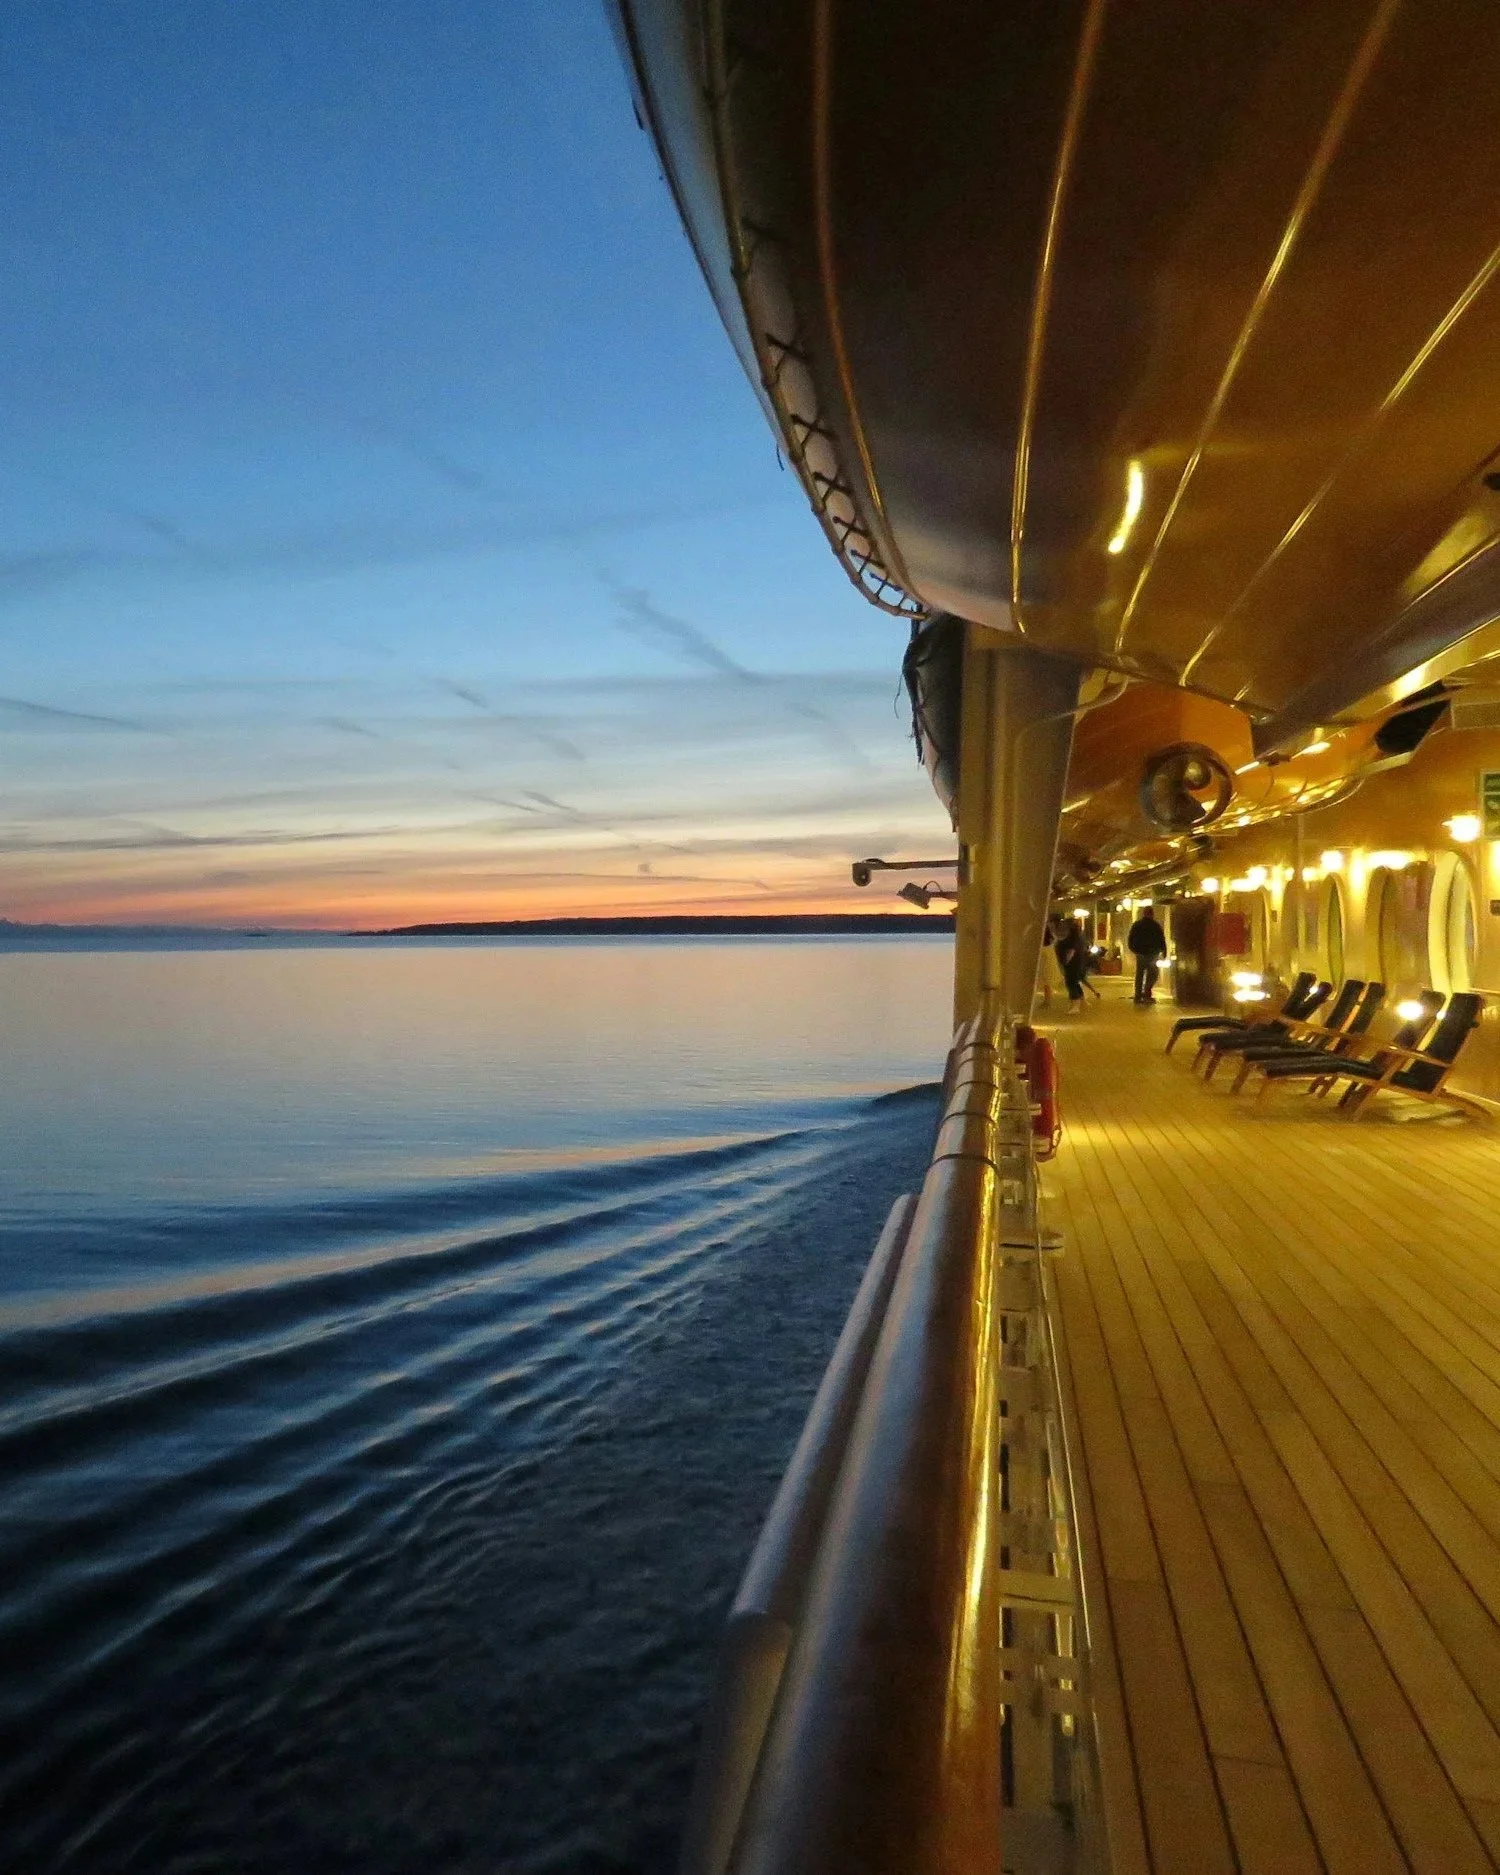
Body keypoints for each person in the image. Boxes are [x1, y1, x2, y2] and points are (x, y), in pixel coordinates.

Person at [1127, 906, 1169, 1004]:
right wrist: (1164, 951)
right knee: (1153, 974)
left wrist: (1134, 949)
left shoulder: (1137, 925)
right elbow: (1161, 939)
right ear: (1151, 914)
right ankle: (1147, 992)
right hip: (1152, 953)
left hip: (1141, 953)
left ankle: (1138, 995)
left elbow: (1131, 938)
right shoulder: (1155, 926)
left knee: (1140, 974)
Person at [1052, 917, 1089, 1014]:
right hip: (1075, 959)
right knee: (1074, 980)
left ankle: (1075, 1004)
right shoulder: (1076, 934)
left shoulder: (1072, 935)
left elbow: (1071, 949)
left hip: (1072, 960)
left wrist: (1066, 959)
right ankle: (1081, 1001)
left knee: (1071, 982)